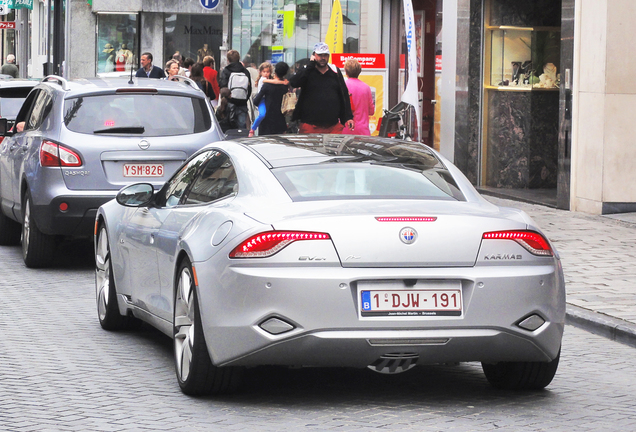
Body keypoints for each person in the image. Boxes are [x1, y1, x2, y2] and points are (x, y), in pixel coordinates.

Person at [289, 42, 354, 134]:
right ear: (314, 55)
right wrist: (310, 65)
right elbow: (294, 82)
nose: (323, 58)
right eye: (320, 55)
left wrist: (348, 117)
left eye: (325, 55)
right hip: (310, 125)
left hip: (333, 125)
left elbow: (344, 94)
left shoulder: (335, 71)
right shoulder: (307, 70)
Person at [252, 62, 291, 136]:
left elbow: (256, 101)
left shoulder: (267, 85)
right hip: (280, 121)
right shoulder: (285, 86)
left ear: (274, 71)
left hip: (267, 122)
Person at [218, 50, 252, 130]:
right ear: (239, 59)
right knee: (242, 127)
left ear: (228, 60)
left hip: (229, 103)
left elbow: (223, 87)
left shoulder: (226, 71)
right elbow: (249, 89)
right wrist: (244, 98)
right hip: (242, 103)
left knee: (228, 127)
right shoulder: (245, 71)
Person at [342, 58, 375, 136]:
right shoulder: (366, 88)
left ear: (346, 72)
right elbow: (371, 111)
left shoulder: (342, 86)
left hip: (345, 130)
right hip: (363, 131)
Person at [248, 62, 274, 137]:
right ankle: (253, 129)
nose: (266, 73)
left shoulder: (268, 79)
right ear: (261, 72)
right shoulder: (263, 79)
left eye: (267, 72)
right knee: (262, 114)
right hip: (262, 100)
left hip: (267, 99)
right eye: (264, 72)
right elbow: (269, 82)